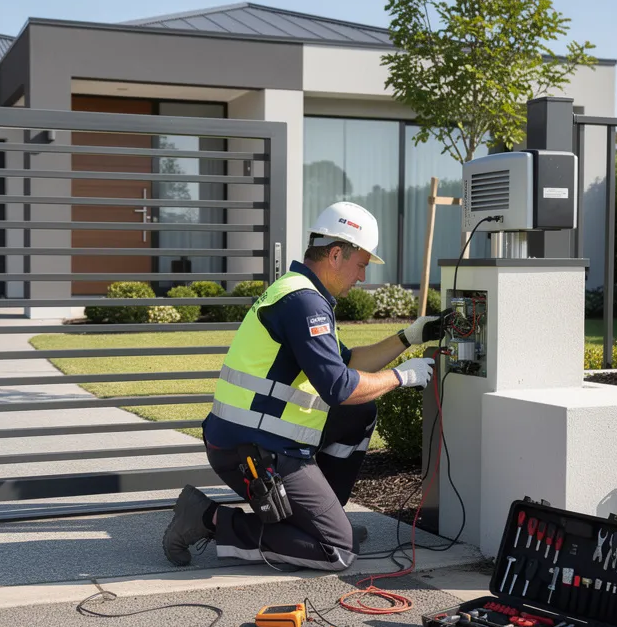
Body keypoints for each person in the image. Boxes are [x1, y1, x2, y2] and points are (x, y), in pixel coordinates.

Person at [162, 201, 449, 571]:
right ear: (335, 254)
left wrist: (408, 336)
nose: (361, 276)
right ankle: (207, 519)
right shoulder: (304, 303)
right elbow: (339, 388)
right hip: (249, 450)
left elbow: (347, 365)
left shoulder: (300, 292)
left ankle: (319, 519)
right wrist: (401, 377)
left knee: (360, 412)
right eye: (361, 265)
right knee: (338, 551)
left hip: (251, 438)